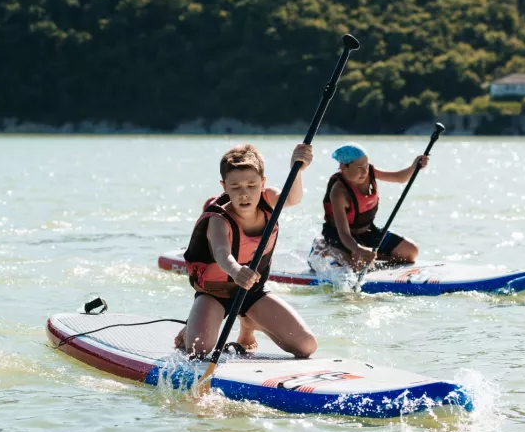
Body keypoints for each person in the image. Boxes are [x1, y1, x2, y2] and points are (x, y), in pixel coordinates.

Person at [173, 143, 318, 359]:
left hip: (251, 292)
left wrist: (298, 170)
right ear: (224, 187)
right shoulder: (218, 218)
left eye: (252, 185)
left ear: (263, 183)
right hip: (214, 293)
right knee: (198, 350)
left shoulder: (269, 199)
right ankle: (190, 329)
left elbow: (292, 198)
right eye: (235, 187)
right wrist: (236, 270)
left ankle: (248, 324)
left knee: (306, 346)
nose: (244, 194)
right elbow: (222, 253)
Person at [313, 143, 428, 269]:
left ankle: (372, 258)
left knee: (411, 252)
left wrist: (414, 167)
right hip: (341, 237)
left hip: (366, 231)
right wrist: (358, 249)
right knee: (358, 265)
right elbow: (344, 233)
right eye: (359, 168)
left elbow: (400, 178)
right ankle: (326, 248)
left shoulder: (370, 172)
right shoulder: (339, 192)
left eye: (366, 166)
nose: (365, 171)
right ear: (343, 167)